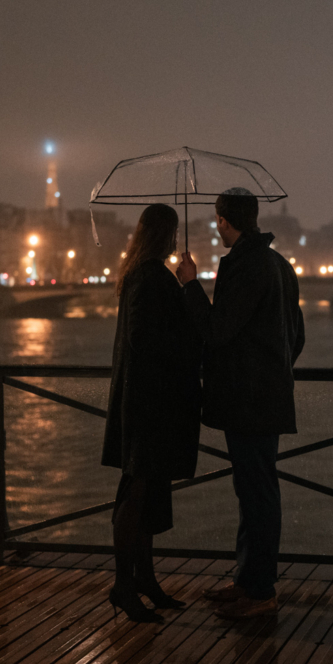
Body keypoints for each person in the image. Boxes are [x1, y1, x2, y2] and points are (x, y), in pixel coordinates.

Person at [176, 188, 304, 620]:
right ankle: (249, 579)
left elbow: (217, 330)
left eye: (217, 220)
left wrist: (190, 285)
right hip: (266, 397)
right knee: (255, 490)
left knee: (256, 494)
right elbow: (296, 337)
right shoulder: (279, 265)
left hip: (247, 400)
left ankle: (260, 590)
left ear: (224, 221)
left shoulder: (245, 266)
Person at [101, 203, 201, 624]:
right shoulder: (150, 276)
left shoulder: (139, 273)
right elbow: (148, 339)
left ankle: (144, 580)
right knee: (138, 490)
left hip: (145, 400)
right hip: (150, 404)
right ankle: (125, 585)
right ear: (167, 235)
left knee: (146, 491)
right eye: (174, 232)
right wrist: (187, 290)